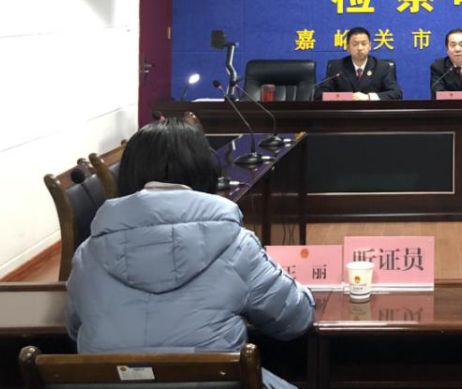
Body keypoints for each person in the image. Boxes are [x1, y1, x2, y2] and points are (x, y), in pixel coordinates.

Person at [65, 117, 314, 389]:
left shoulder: (88, 253)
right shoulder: (236, 244)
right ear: (206, 170)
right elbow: (295, 318)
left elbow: (75, 329)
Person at [315, 26, 402, 100]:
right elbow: (319, 95)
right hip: (345, 113)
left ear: (370, 46)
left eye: (364, 44)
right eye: (355, 44)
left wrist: (368, 97)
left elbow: (396, 94)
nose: (360, 48)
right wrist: (347, 97)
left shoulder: (382, 67)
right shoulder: (336, 67)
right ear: (348, 47)